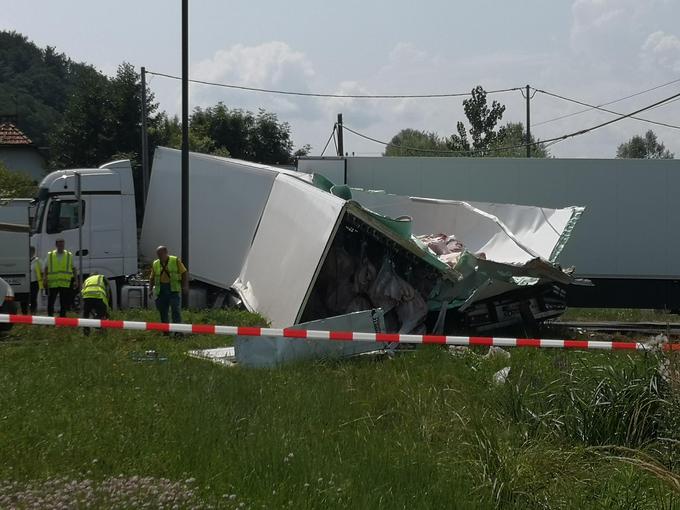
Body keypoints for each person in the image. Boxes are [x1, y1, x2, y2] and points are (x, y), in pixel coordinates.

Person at [149, 245, 188, 324]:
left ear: (166, 253)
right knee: (163, 311)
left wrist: (184, 286)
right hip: (161, 291)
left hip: (173, 290)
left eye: (161, 254)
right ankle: (165, 331)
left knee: (175, 310)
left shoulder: (175, 260)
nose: (159, 256)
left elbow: (184, 273)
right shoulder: (155, 263)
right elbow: (152, 278)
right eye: (158, 255)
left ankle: (178, 331)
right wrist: (150, 289)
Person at [43, 238, 76, 317]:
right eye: (59, 243)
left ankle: (62, 319)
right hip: (53, 283)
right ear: (56, 245)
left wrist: (76, 280)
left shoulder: (69, 255)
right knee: (51, 302)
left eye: (62, 244)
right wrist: (45, 278)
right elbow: (46, 267)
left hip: (64, 283)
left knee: (63, 302)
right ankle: (50, 318)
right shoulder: (50, 255)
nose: (61, 245)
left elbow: (74, 268)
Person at [30, 246, 43, 314]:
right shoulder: (25, 260)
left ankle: (33, 311)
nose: (30, 252)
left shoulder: (38, 261)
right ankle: (25, 313)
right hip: (26, 282)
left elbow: (42, 271)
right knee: (25, 298)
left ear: (34, 252)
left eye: (31, 251)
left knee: (33, 298)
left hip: (35, 282)